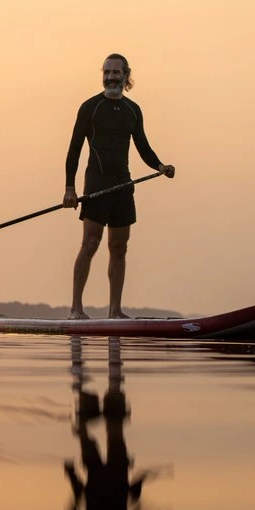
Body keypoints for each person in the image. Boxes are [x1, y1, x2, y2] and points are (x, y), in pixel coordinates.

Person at [63, 53, 175, 319]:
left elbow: (143, 147)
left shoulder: (133, 110)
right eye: (107, 72)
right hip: (97, 184)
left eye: (116, 72)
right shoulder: (90, 107)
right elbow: (74, 152)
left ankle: (115, 310)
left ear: (126, 76)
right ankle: (76, 309)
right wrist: (70, 188)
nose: (111, 77)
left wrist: (160, 166)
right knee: (90, 243)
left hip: (123, 186)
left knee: (119, 248)